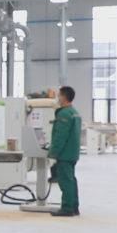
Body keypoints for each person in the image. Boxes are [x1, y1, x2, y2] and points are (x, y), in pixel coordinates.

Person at [48, 86, 82, 217]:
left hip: (64, 153)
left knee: (65, 181)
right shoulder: (74, 112)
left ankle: (67, 208)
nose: (57, 98)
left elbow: (60, 135)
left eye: (59, 95)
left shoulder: (64, 113)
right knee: (71, 180)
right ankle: (74, 207)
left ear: (63, 97)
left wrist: (53, 152)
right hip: (72, 153)